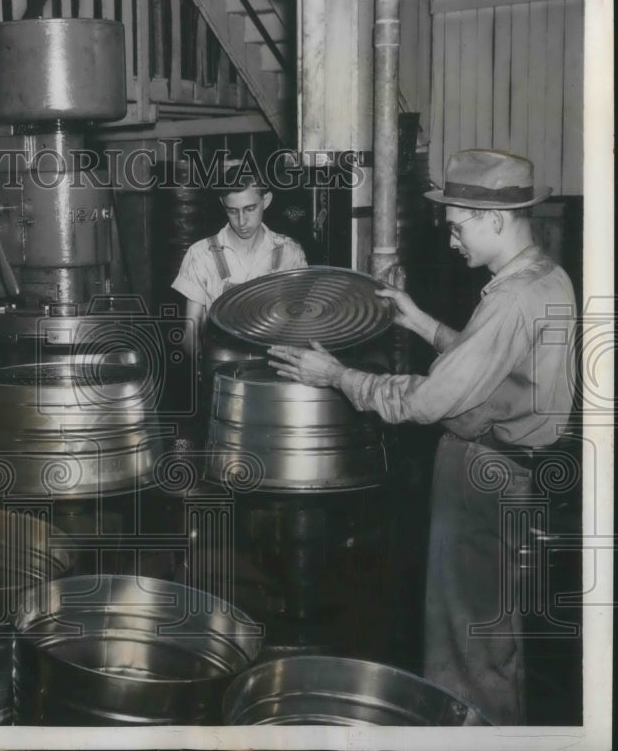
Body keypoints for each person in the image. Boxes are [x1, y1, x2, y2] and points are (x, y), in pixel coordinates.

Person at [267, 149, 576, 725]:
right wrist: (422, 323)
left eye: (458, 228)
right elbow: (498, 372)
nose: (453, 241)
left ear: (496, 220)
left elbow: (431, 400)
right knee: (493, 635)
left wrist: (338, 376)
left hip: (480, 476)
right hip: (514, 471)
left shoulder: (508, 298)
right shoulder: (545, 278)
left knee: (464, 642)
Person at [171, 162, 307, 359]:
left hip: (274, 369)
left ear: (266, 200)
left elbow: (300, 322)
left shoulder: (289, 252)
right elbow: (191, 329)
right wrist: (201, 364)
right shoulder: (201, 254)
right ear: (222, 204)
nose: (241, 221)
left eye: (250, 208)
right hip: (222, 368)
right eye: (233, 211)